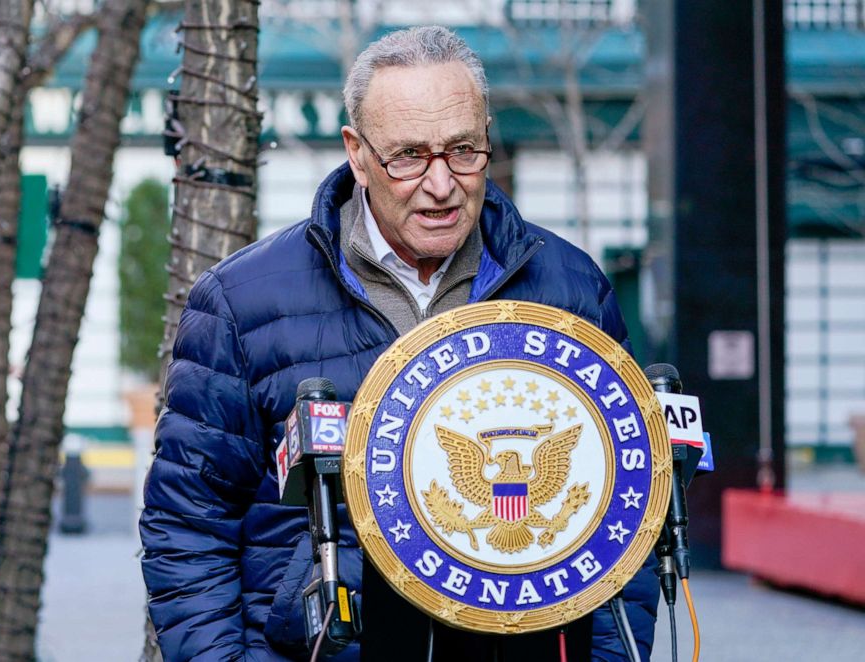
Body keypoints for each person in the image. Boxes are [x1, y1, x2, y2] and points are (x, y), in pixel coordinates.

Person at [140, 25, 658, 662]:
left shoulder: (572, 291)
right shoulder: (241, 302)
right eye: (409, 155)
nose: (441, 184)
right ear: (357, 154)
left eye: (463, 150)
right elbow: (188, 525)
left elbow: (627, 519)